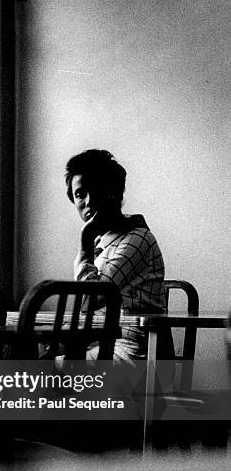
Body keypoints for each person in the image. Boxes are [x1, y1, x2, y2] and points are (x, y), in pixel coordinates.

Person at [65, 149, 167, 360]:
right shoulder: (100, 242)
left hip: (132, 351)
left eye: (96, 189)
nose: (89, 201)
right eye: (80, 194)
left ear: (114, 193)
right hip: (98, 344)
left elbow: (91, 300)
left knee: (34, 378)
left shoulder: (137, 239)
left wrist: (84, 244)